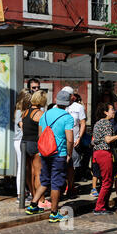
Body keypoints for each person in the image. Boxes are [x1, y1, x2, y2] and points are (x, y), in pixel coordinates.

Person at [25, 90, 74, 223]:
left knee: (45, 180)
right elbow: (70, 139)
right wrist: (69, 154)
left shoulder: (45, 115)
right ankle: (54, 212)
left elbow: (40, 136)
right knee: (57, 183)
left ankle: (33, 205)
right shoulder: (67, 117)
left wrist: (43, 150)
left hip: (44, 152)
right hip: (59, 154)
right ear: (68, 103)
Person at [92, 102, 117, 215]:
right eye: (112, 110)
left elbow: (94, 140)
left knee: (106, 181)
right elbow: (108, 140)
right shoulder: (107, 123)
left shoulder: (98, 123)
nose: (114, 111)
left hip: (97, 153)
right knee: (107, 181)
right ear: (105, 112)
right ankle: (99, 207)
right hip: (104, 153)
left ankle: (104, 205)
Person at [20, 90, 49, 208]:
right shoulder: (40, 114)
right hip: (34, 144)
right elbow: (42, 133)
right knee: (38, 173)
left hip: (24, 143)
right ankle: (41, 200)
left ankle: (33, 196)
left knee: (29, 173)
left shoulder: (25, 112)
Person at [61, 86, 86, 198]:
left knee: (71, 166)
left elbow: (82, 123)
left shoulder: (79, 107)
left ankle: (70, 186)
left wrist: (79, 137)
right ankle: (62, 186)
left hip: (74, 140)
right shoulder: (60, 106)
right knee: (61, 164)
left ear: (72, 96)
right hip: (61, 140)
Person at [14, 89, 32, 203]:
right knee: (21, 167)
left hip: (20, 140)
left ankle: (23, 192)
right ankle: (20, 194)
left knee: (24, 167)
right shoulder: (20, 112)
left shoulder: (19, 111)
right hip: (20, 140)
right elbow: (23, 127)